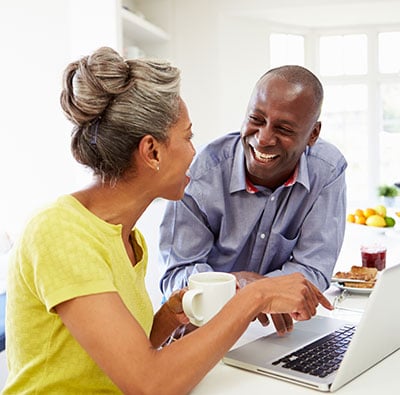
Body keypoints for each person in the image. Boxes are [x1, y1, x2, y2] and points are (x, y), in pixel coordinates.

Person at [3, 48, 332, 395]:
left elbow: (117, 361)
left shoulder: (128, 239)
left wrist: (166, 321)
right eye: (188, 136)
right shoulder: (60, 232)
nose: (195, 151)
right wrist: (255, 295)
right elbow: (150, 384)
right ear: (152, 152)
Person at [159, 65, 347, 332]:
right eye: (256, 120)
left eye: (283, 128)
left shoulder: (327, 170)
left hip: (273, 331)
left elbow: (313, 270)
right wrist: (244, 290)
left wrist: (260, 293)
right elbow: (175, 277)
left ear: (313, 134)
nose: (264, 138)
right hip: (203, 328)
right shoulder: (201, 173)